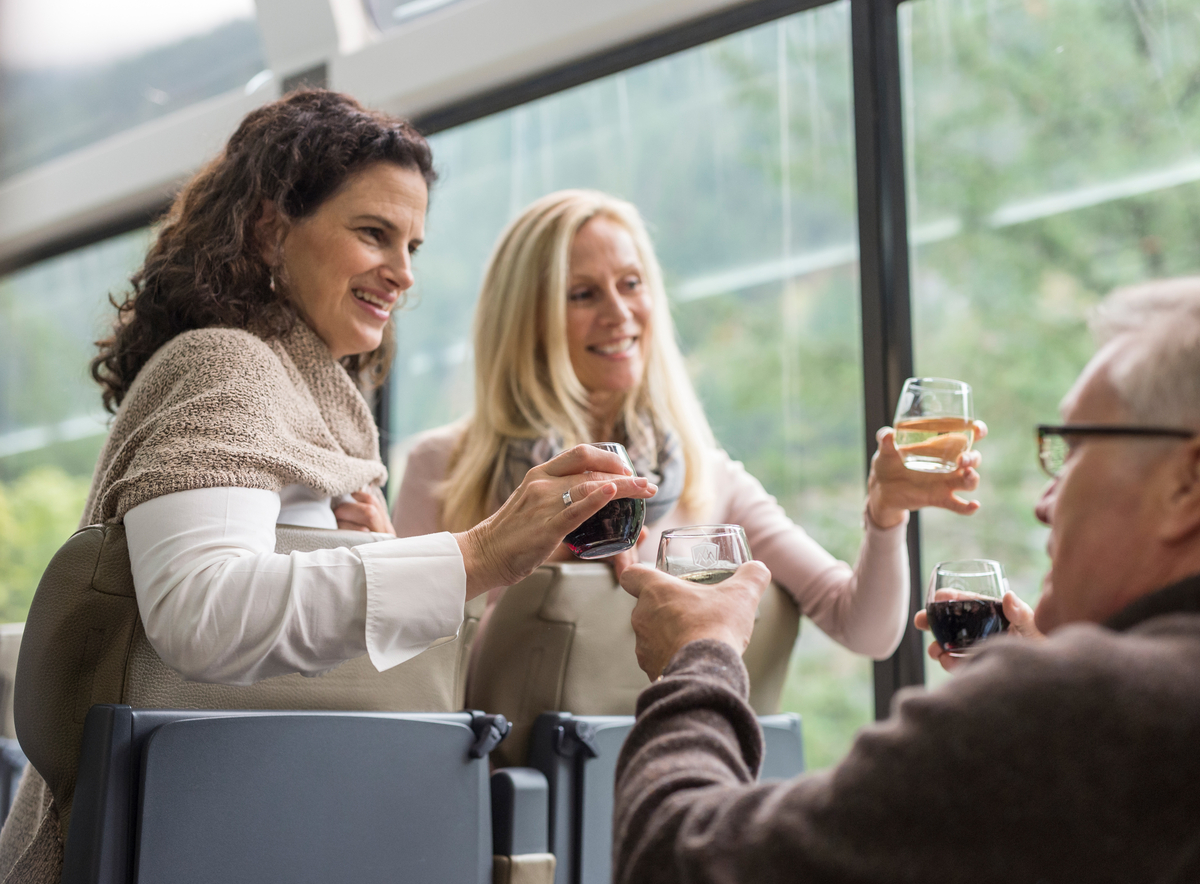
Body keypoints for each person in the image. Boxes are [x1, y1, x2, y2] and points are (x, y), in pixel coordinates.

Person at [0, 91, 655, 881]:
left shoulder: (308, 403)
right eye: (374, 233)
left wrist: (382, 557)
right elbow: (203, 613)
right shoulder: (227, 366)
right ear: (269, 228)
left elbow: (294, 654)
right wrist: (479, 554)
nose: (403, 273)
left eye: (412, 245)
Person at [612, 281, 1200, 883]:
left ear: (1187, 482)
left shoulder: (1079, 707)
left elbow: (673, 860)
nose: (1044, 503)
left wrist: (698, 655)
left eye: (1072, 451)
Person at [393, 189, 985, 659]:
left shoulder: (708, 477)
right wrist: (547, 562)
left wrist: (886, 513)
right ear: (527, 317)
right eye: (582, 294)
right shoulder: (443, 468)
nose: (619, 313)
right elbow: (408, 674)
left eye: (631, 284)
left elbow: (865, 630)